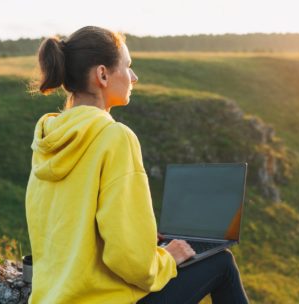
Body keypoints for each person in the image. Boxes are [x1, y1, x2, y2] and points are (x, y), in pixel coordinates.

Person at [25, 25, 249, 304]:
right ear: (103, 75)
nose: (134, 76)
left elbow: (68, 225)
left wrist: (142, 236)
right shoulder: (114, 137)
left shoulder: (48, 138)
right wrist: (166, 257)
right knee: (222, 264)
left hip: (52, 297)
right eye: (128, 66)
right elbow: (129, 260)